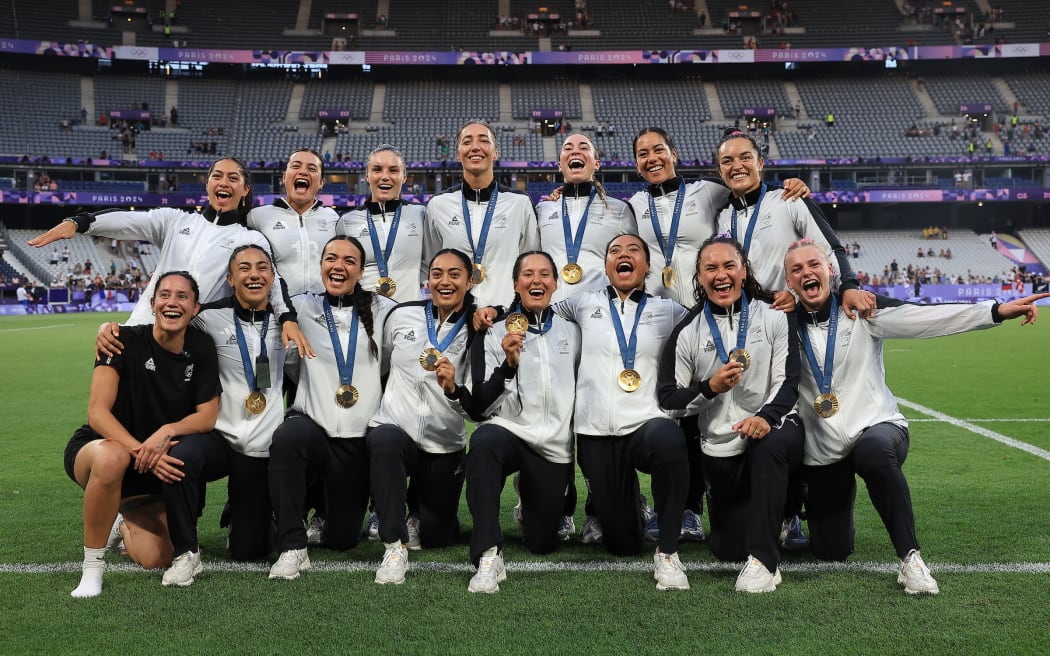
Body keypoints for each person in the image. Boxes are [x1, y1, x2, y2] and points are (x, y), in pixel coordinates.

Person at [783, 239, 1048, 595]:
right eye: (796, 269)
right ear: (788, 282)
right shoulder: (781, 326)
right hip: (823, 450)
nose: (806, 273)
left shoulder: (864, 311)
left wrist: (995, 312)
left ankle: (911, 559)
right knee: (832, 552)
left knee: (873, 453)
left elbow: (928, 318)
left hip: (876, 428)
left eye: (813, 264)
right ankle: (807, 508)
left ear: (830, 270)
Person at [628, 127, 809, 544]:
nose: (652, 158)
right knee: (682, 412)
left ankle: (789, 508)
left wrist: (792, 186)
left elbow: (748, 188)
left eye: (659, 150)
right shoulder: (634, 204)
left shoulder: (707, 191)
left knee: (770, 393)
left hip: (711, 307)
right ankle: (687, 507)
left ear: (675, 153)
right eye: (643, 153)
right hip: (658, 322)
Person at [30, 157, 307, 353]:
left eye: (234, 178)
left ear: (245, 190)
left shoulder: (250, 238)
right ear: (207, 184)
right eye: (217, 176)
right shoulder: (176, 221)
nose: (224, 182)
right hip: (142, 329)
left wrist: (288, 318)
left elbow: (273, 281)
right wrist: (80, 223)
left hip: (192, 341)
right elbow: (128, 222)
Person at [658, 237, 803, 593]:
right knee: (725, 548)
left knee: (768, 443)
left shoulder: (774, 316)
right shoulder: (688, 332)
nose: (720, 275)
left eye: (728, 266)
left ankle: (765, 561)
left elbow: (789, 383)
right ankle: (765, 525)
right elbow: (668, 399)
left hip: (775, 429)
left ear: (743, 271)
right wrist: (709, 388)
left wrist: (766, 416)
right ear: (699, 276)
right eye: (711, 268)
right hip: (720, 445)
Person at [63, 271, 220, 597]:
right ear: (152, 304)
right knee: (112, 456)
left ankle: (121, 522)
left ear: (195, 307)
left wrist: (168, 431)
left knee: (158, 557)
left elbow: (207, 416)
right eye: (165, 295)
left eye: (182, 296)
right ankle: (92, 569)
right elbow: (97, 412)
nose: (172, 302)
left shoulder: (201, 347)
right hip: (102, 450)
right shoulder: (121, 340)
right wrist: (140, 450)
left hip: (151, 471)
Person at [555, 234, 691, 590]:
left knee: (669, 440)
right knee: (623, 545)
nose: (623, 255)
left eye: (633, 250)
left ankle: (668, 550)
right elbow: (535, 313)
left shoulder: (670, 309)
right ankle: (635, 509)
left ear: (647, 266)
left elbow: (710, 322)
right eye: (614, 251)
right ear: (606, 266)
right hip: (596, 428)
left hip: (648, 421)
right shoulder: (581, 304)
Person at [267, 236, 396, 580]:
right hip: (312, 428)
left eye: (349, 261)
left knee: (342, 540)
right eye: (331, 258)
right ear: (321, 264)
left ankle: (325, 513)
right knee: (288, 437)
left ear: (360, 271)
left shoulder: (383, 310)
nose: (338, 266)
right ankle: (292, 544)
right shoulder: (300, 307)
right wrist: (285, 318)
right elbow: (266, 286)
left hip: (356, 440)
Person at [159, 245, 287, 587]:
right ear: (231, 279)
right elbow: (165, 329)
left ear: (273, 278)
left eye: (262, 268)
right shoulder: (208, 318)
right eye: (244, 268)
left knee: (251, 550)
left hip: (260, 445)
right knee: (179, 458)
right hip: (218, 435)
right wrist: (115, 332)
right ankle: (186, 551)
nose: (254, 274)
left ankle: (253, 514)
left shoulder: (288, 323)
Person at [459, 251, 581, 593]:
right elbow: (480, 407)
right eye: (528, 274)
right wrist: (508, 366)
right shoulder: (493, 332)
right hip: (508, 432)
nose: (536, 280)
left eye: (545, 274)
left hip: (552, 447)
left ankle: (530, 501)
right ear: (516, 284)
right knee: (483, 443)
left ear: (556, 284)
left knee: (542, 543)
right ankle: (488, 553)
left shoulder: (573, 333)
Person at [366, 248, 477, 585]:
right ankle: (394, 542)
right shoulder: (401, 315)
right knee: (384, 439)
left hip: (445, 443)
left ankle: (423, 512)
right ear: (427, 280)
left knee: (438, 537)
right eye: (438, 273)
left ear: (470, 281)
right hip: (398, 431)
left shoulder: (478, 328)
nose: (445, 281)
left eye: (455, 274)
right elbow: (382, 365)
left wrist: (453, 389)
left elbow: (475, 406)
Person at [425, 121, 540, 307]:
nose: (475, 147)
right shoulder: (438, 205)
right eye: (467, 141)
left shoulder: (520, 203)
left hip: (505, 317)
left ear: (496, 152)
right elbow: (432, 261)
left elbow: (531, 264)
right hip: (456, 319)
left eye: (484, 141)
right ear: (458, 154)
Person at [338, 144, 426, 303]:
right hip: (364, 319)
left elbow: (432, 262)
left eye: (393, 170)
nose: (385, 176)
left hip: (410, 316)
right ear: (367, 176)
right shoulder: (347, 222)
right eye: (377, 170)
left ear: (404, 177)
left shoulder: (421, 215)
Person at [248, 149, 340, 297]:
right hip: (279, 314)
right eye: (296, 166)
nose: (303, 172)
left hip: (323, 313)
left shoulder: (333, 218)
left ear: (321, 182)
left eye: (311, 168)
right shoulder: (257, 217)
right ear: (284, 177)